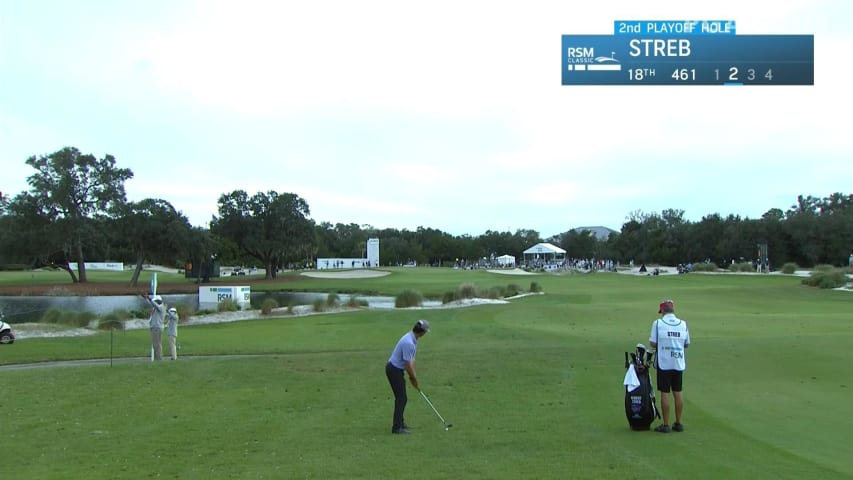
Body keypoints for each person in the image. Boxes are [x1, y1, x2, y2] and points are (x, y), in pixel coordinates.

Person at [649, 299, 690, 433]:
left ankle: (666, 424)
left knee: (665, 392)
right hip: (678, 362)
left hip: (664, 362)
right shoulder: (683, 324)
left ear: (662, 311)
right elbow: (686, 344)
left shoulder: (658, 323)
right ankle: (678, 423)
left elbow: (653, 343)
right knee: (678, 391)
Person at [385, 319, 430, 434]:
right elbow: (407, 364)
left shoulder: (413, 339)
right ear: (422, 332)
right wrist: (413, 378)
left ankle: (400, 424)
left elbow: (412, 360)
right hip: (393, 370)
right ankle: (396, 428)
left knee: (402, 397)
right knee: (401, 398)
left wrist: (414, 378)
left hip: (397, 370)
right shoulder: (408, 343)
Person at [141, 294, 165, 361]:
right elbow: (152, 304)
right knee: (155, 344)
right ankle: (157, 358)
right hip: (155, 327)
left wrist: (149, 299)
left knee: (157, 344)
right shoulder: (156, 308)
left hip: (157, 327)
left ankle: (159, 358)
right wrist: (146, 298)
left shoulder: (161, 307)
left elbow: (154, 304)